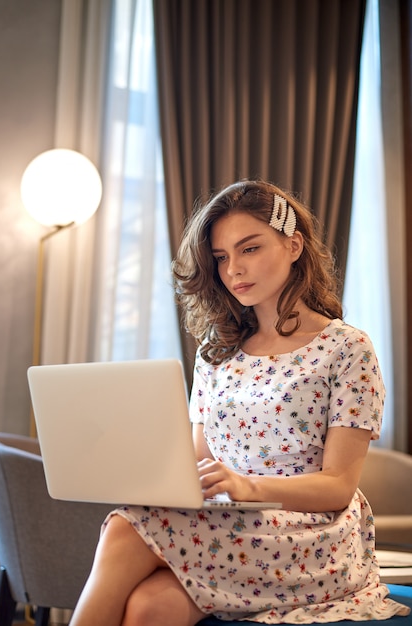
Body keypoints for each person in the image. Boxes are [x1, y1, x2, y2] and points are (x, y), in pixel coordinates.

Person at [70, 180, 410, 625]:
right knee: (150, 607)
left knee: (124, 526)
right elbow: (200, 462)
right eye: (221, 257)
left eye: (249, 249)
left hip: (314, 537)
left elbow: (338, 486)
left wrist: (248, 486)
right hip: (232, 528)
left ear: (293, 245)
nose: (233, 270)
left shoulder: (347, 349)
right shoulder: (218, 348)